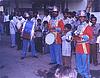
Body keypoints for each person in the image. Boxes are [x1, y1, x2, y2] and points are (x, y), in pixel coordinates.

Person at [74, 10, 93, 78]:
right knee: (78, 62)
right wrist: (73, 37)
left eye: (83, 17)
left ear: (85, 18)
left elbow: (89, 37)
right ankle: (80, 73)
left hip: (84, 46)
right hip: (78, 46)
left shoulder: (88, 26)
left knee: (85, 62)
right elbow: (76, 36)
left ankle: (86, 75)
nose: (81, 18)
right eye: (80, 17)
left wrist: (81, 35)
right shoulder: (78, 26)